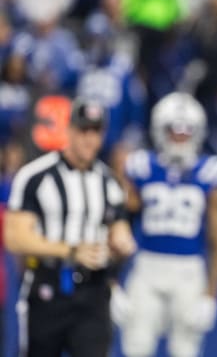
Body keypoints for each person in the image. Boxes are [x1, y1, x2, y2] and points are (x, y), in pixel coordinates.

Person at [3, 97, 136, 357]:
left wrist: (122, 245)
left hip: (93, 292)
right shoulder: (36, 176)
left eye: (95, 131)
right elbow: (14, 237)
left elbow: (119, 230)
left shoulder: (109, 182)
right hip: (47, 288)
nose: (89, 139)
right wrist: (70, 251)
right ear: (69, 130)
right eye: (83, 130)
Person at [115, 92, 217, 357]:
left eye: (186, 130)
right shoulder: (141, 167)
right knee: (136, 347)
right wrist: (113, 284)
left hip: (188, 272)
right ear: (160, 130)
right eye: (174, 130)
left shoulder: (210, 173)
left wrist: (211, 296)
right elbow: (119, 226)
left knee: (185, 350)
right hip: (147, 267)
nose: (180, 136)